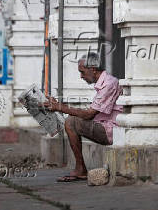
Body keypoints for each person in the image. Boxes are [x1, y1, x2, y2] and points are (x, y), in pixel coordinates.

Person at [43, 52, 123, 182]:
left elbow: (89, 114)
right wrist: (60, 105)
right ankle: (80, 168)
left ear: (92, 69)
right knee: (72, 120)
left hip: (112, 131)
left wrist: (60, 107)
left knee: (71, 122)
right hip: (104, 126)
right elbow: (89, 113)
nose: (81, 76)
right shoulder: (104, 83)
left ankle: (80, 169)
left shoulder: (109, 84)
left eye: (82, 72)